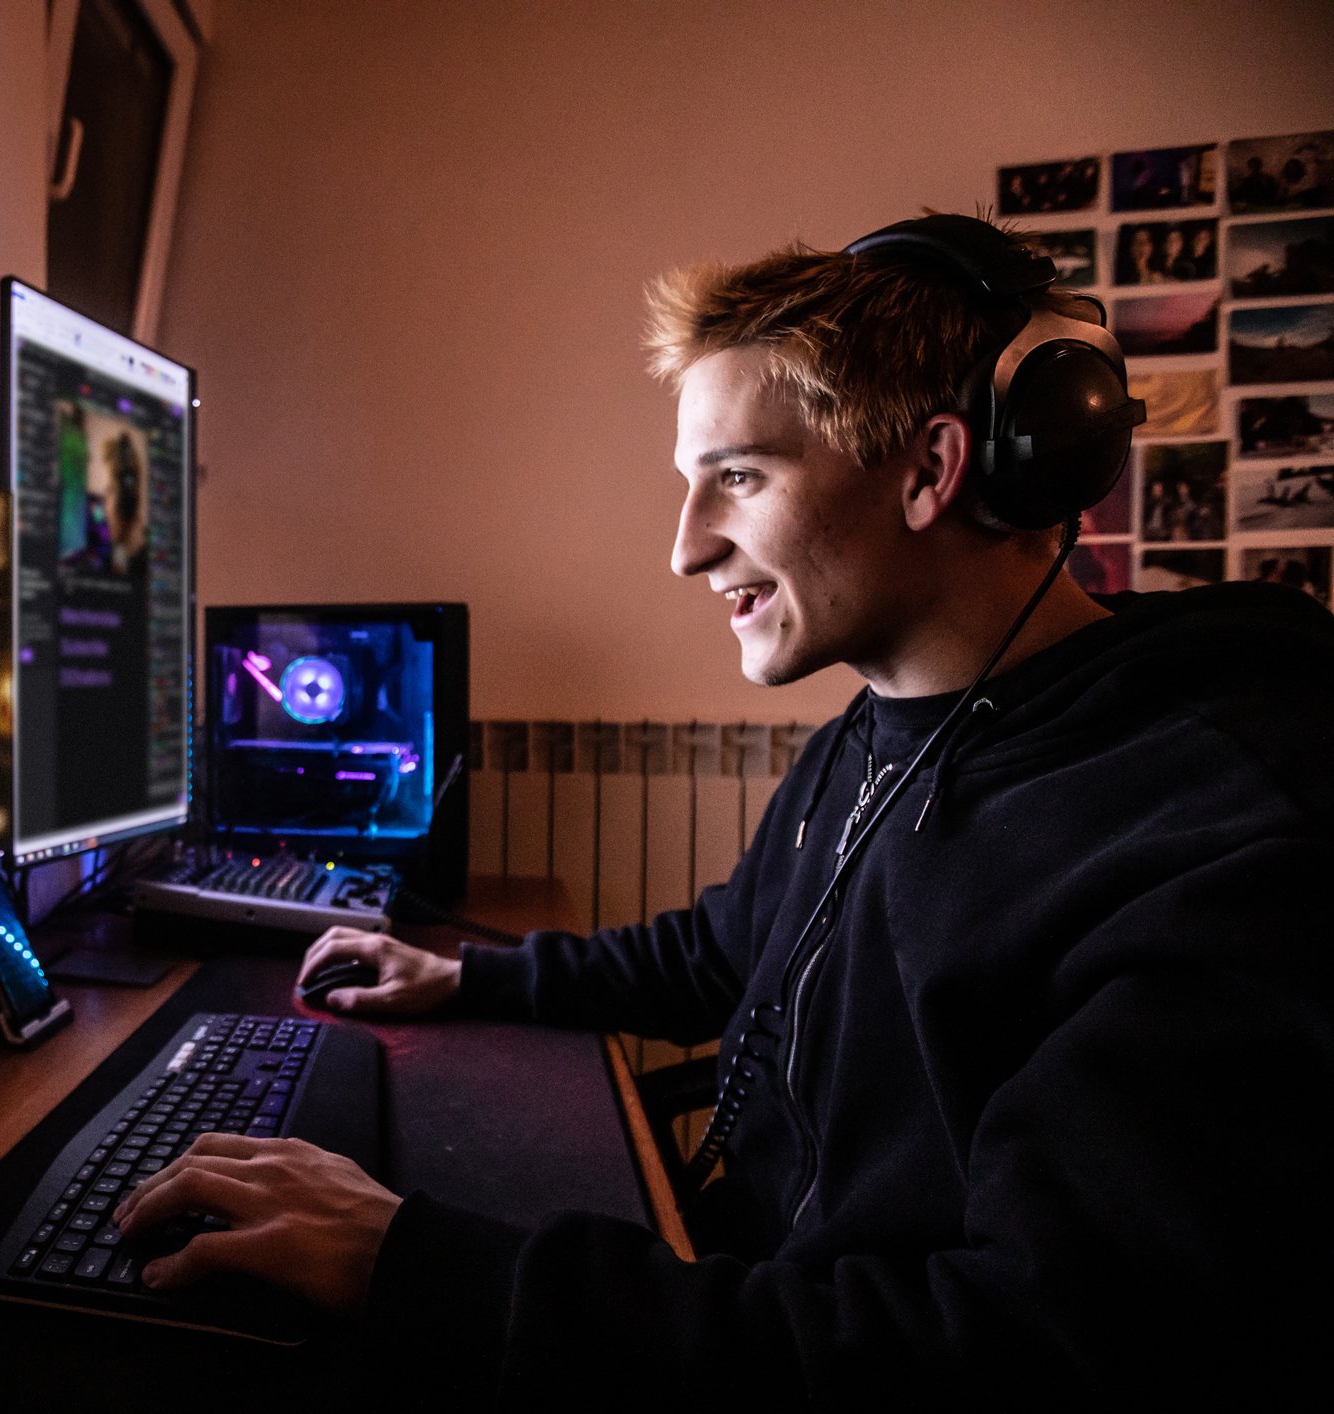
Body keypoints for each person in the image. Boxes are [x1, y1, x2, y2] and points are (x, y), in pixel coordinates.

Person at [114, 216, 1334, 1402]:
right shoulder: (882, 731)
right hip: (746, 1299)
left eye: (737, 478)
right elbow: (724, 944)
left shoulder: (1216, 836)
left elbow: (1024, 1348)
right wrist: (466, 978)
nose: (687, 549)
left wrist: (418, 1265)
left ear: (932, 470)